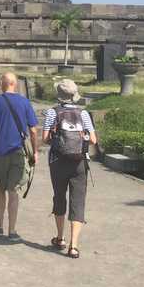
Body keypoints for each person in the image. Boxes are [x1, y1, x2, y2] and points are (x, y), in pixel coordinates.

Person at [42, 80, 96, 258]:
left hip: (58, 161)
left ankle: (60, 238)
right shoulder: (84, 114)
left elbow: (45, 138)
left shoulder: (52, 112)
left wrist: (59, 142)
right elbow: (93, 140)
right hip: (80, 162)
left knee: (59, 197)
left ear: (59, 95)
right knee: (78, 201)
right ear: (74, 95)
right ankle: (74, 246)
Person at [0, 71, 39, 240]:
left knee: (0, 188)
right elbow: (33, 130)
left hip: (0, 150)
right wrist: (35, 151)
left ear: (4, 83)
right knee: (13, 190)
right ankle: (12, 231)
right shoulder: (25, 102)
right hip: (19, 151)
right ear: (15, 84)